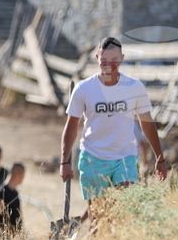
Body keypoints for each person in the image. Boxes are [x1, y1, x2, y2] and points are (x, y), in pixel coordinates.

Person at [60, 36, 168, 229]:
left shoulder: (134, 87)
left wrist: (159, 158)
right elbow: (71, 126)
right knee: (100, 221)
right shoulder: (84, 89)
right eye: (104, 60)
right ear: (96, 58)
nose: (109, 65)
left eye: (114, 60)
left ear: (122, 59)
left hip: (125, 158)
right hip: (93, 158)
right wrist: (64, 161)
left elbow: (147, 124)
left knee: (123, 213)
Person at [0, 162, 25, 240]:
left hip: (15, 239)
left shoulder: (15, 193)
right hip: (4, 238)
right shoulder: (1, 192)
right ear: (20, 174)